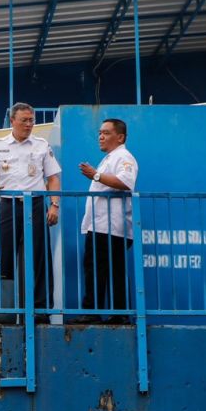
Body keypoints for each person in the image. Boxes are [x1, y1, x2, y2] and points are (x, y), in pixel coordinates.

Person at [0, 103, 61, 316]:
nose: (29, 124)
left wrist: (54, 204)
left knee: (39, 256)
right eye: (24, 120)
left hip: (35, 204)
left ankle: (42, 308)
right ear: (13, 121)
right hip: (8, 204)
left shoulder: (41, 145)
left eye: (31, 120)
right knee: (4, 256)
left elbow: (53, 177)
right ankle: (7, 309)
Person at [79, 118, 138, 324]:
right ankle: (107, 313)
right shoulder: (110, 158)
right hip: (101, 226)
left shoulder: (123, 156)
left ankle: (109, 313)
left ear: (120, 137)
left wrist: (95, 175)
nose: (100, 137)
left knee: (107, 269)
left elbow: (125, 181)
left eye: (106, 133)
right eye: (99, 133)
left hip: (111, 227)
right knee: (100, 269)